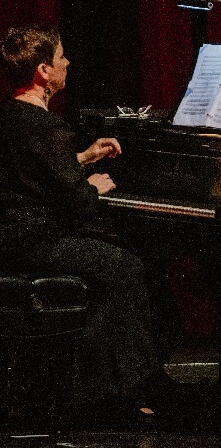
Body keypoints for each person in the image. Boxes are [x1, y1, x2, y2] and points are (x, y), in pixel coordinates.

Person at [0, 25, 171, 420]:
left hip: (13, 238)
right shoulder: (48, 127)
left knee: (116, 261)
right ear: (44, 71)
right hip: (33, 242)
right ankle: (132, 387)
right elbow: (79, 208)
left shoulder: (9, 116)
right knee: (125, 265)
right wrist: (93, 187)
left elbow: (29, 172)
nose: (68, 62)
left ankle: (102, 380)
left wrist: (80, 159)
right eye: (61, 57)